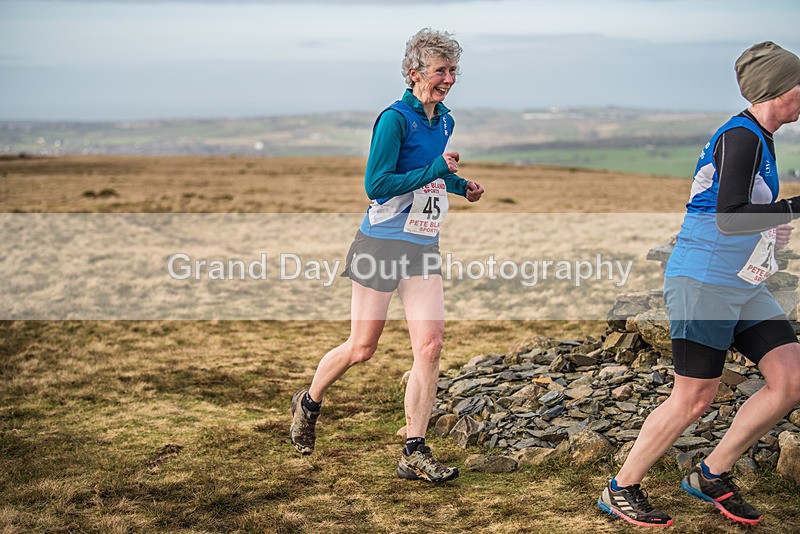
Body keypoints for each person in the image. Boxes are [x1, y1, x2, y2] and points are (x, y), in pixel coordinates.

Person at [598, 41, 800, 527]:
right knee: (693, 397)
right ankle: (620, 488)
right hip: (703, 280)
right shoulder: (744, 136)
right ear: (781, 90)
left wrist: (773, 221)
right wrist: (791, 208)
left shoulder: (760, 136)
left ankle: (711, 474)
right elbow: (729, 218)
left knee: (791, 379)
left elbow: (736, 212)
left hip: (743, 283)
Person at [290, 28, 484, 483]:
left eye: (453, 70)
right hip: (379, 244)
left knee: (431, 347)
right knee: (362, 348)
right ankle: (310, 400)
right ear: (414, 72)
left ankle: (414, 450)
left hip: (421, 244)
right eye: (441, 70)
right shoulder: (394, 119)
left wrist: (460, 185)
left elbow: (427, 178)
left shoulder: (444, 120)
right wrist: (438, 169)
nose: (450, 79)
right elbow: (377, 186)